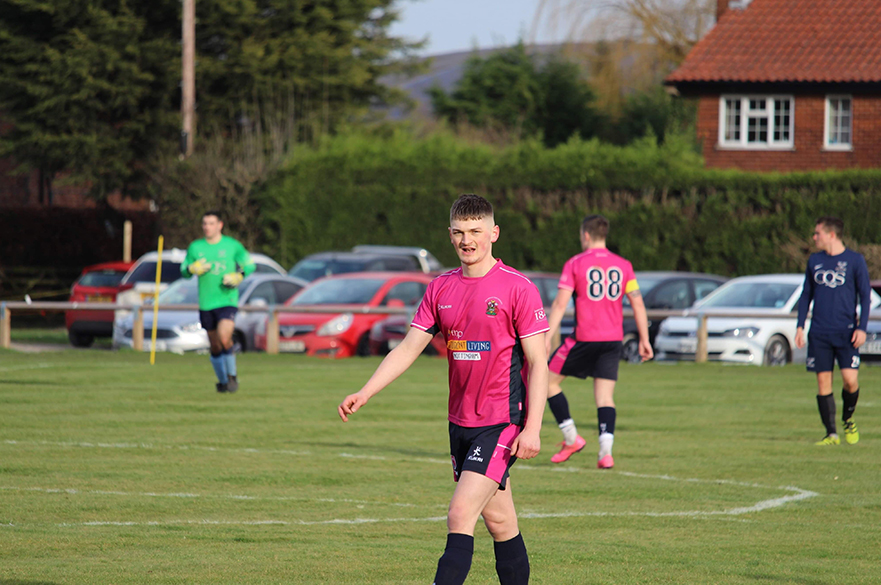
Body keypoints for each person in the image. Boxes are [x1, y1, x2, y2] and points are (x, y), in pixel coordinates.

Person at [338, 194, 549, 585]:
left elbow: (538, 363)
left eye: (475, 232)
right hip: (460, 424)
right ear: (449, 236)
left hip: (501, 422)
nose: (467, 240)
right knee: (500, 521)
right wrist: (365, 392)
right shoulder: (440, 288)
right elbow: (407, 348)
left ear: (494, 233)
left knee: (459, 514)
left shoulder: (518, 288)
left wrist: (533, 427)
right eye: (459, 232)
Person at [544, 215, 652, 469]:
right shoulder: (623, 264)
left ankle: (571, 437)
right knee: (605, 397)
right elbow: (637, 302)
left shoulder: (575, 263)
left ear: (586, 235)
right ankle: (606, 453)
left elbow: (560, 303)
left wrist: (547, 337)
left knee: (546, 382)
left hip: (584, 338)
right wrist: (644, 339)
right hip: (613, 340)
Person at [795, 216, 870, 446]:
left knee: (850, 380)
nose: (814, 237)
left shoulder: (854, 260)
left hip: (846, 332)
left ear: (832, 235)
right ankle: (831, 434)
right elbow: (806, 294)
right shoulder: (814, 260)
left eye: (818, 233)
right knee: (823, 383)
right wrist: (800, 325)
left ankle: (848, 418)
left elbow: (865, 296)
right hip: (819, 331)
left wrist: (862, 328)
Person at [181, 210, 255, 393]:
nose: (207, 227)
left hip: (227, 299)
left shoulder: (232, 245)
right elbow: (183, 270)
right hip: (206, 303)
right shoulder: (195, 247)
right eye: (205, 223)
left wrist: (239, 275)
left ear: (220, 225)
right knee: (214, 344)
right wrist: (192, 268)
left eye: (211, 223)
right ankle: (223, 382)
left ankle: (232, 376)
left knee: (224, 337)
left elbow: (250, 264)